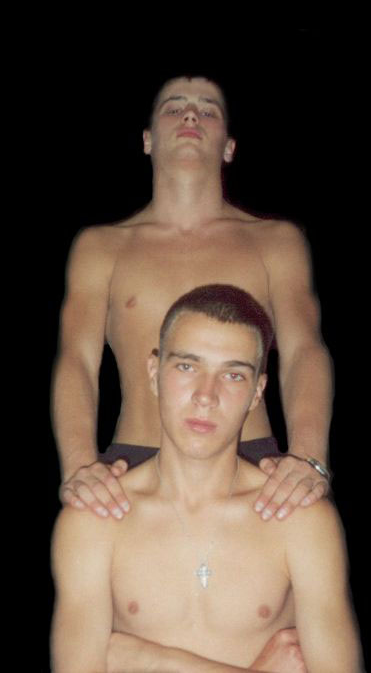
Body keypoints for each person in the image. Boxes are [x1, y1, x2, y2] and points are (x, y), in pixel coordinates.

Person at [52, 74, 334, 523]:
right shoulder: (101, 247)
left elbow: (304, 349)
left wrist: (308, 458)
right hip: (131, 470)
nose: (189, 115)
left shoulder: (275, 242)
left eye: (207, 110)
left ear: (229, 147)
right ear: (147, 140)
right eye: (174, 107)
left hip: (256, 469)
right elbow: (77, 361)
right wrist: (79, 466)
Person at [51, 285, 362, 673]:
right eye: (187, 367)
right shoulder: (95, 521)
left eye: (233, 375)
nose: (206, 396)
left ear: (256, 393)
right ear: (154, 373)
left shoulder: (300, 521)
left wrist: (148, 660)